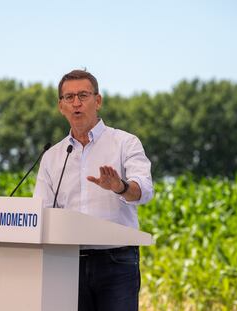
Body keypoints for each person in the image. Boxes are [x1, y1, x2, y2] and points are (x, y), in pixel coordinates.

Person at [33, 69, 154, 311]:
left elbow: (144, 191)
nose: (76, 103)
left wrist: (120, 187)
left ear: (97, 101)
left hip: (116, 261)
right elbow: (41, 212)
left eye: (83, 95)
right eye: (69, 97)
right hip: (67, 263)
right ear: (61, 106)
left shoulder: (125, 142)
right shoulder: (53, 156)